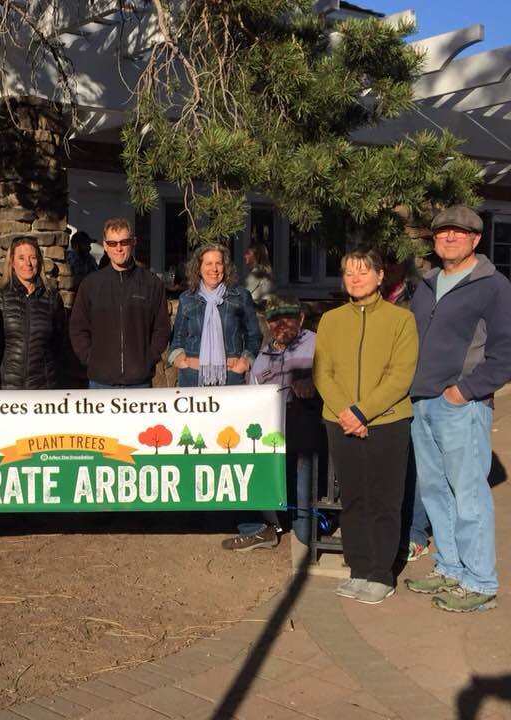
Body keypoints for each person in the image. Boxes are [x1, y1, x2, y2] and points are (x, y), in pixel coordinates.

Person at [405, 206, 511, 612]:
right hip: (422, 401)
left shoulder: (492, 286)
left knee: (468, 494)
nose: (449, 237)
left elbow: (504, 354)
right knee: (434, 490)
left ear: (475, 239)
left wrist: (465, 391)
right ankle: (450, 567)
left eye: (459, 232)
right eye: (443, 232)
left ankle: (480, 580)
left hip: (460, 405)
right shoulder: (428, 284)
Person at [313, 248, 417, 605]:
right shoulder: (330, 321)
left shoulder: (401, 320)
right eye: (348, 273)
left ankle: (380, 573)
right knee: (354, 498)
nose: (355, 279)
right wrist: (346, 412)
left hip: (386, 421)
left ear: (378, 276)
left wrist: (362, 411)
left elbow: (400, 375)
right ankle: (358, 567)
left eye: (362, 272)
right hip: (339, 421)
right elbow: (321, 372)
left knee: (385, 499)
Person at [222, 296, 320, 551]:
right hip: (269, 438)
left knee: (304, 533)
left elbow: (330, 375)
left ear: (300, 319)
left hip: (305, 431)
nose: (282, 325)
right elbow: (252, 393)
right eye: (275, 320)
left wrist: (312, 381)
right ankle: (263, 527)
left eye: (288, 318)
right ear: (267, 323)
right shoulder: (263, 356)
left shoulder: (316, 343)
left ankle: (312, 520)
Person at [69, 218, 170, 389]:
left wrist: (148, 358)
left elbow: (162, 328)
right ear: (105, 245)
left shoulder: (151, 284)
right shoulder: (91, 285)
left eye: (124, 242)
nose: (119, 248)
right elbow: (78, 328)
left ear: (133, 242)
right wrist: (90, 358)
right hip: (100, 382)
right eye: (112, 243)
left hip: (139, 382)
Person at [382, 256, 429, 562]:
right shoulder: (375, 294)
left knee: (416, 465)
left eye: (393, 260)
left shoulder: (418, 294)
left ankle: (415, 532)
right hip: (380, 389)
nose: (387, 266)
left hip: (411, 384)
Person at [169, 243, 261, 387]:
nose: (214, 269)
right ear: (199, 268)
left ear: (225, 267)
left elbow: (254, 335)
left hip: (230, 376)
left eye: (219, 263)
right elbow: (177, 338)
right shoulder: (187, 298)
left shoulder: (241, 296)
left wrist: (245, 362)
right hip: (192, 376)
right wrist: (181, 361)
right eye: (208, 264)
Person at [0, 237, 66, 390]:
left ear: (39, 261)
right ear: (12, 263)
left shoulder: (52, 297)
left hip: (44, 385)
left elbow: (60, 340)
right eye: (21, 258)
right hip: (7, 386)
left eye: (32, 257)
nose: (28, 264)